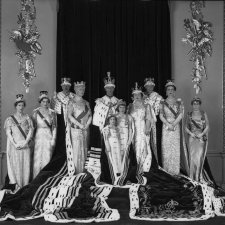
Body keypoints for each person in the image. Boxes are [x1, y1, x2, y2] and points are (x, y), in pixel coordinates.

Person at [4, 94, 33, 191]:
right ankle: (17, 187)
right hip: (15, 146)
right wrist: (15, 144)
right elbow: (8, 133)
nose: (21, 107)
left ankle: (24, 187)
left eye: (22, 105)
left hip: (25, 145)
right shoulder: (10, 119)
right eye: (19, 105)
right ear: (15, 106)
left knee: (25, 166)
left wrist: (25, 143)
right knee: (16, 166)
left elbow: (30, 132)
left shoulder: (28, 118)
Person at [159, 80, 189, 175]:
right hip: (166, 126)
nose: (170, 91)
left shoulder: (179, 102)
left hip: (175, 127)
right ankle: (167, 171)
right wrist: (168, 124)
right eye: (168, 89)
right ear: (166, 91)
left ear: (174, 91)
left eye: (172, 89)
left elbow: (181, 115)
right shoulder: (162, 102)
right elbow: (161, 116)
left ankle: (175, 172)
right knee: (166, 148)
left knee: (175, 148)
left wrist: (173, 124)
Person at [127, 82, 153, 184]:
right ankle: (135, 168)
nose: (137, 96)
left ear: (141, 95)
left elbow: (148, 118)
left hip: (142, 128)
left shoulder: (146, 106)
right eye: (135, 95)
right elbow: (127, 119)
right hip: (133, 129)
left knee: (142, 147)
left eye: (138, 95)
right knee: (134, 147)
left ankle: (141, 170)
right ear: (132, 96)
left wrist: (147, 128)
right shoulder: (129, 106)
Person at [67, 81, 92, 174]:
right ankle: (77, 172)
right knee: (77, 150)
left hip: (85, 129)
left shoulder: (86, 103)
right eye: (80, 89)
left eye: (83, 89)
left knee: (85, 149)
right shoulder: (71, 102)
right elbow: (69, 116)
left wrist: (87, 124)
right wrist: (80, 125)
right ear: (76, 90)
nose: (82, 91)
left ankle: (84, 172)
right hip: (76, 129)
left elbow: (90, 116)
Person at [32, 91, 57, 179]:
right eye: (43, 101)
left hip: (48, 136)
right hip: (38, 135)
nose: (45, 103)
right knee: (37, 157)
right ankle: (36, 178)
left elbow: (54, 127)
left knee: (47, 157)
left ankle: (45, 179)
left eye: (47, 101)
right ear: (40, 102)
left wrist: (53, 139)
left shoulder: (52, 112)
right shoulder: (35, 112)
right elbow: (32, 127)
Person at [185, 97, 209, 182]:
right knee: (192, 157)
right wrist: (192, 134)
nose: (196, 105)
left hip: (200, 138)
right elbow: (186, 128)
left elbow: (207, 126)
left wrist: (201, 134)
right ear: (192, 105)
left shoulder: (203, 113)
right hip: (192, 138)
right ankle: (192, 178)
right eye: (194, 104)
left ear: (199, 104)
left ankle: (198, 177)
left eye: (197, 104)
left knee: (199, 157)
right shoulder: (189, 114)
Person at [143, 77, 162, 163]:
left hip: (153, 122)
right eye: (147, 86)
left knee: (153, 141)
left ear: (153, 86)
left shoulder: (158, 97)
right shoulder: (142, 96)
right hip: (143, 121)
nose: (149, 87)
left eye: (151, 86)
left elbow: (158, 110)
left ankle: (154, 161)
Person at [102, 115, 122, 184]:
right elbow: (106, 138)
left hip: (117, 145)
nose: (113, 121)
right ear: (108, 121)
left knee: (118, 158)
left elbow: (119, 138)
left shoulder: (117, 128)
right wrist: (108, 146)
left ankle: (120, 173)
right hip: (111, 144)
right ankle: (114, 173)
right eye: (111, 119)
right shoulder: (106, 128)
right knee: (112, 158)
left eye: (114, 119)